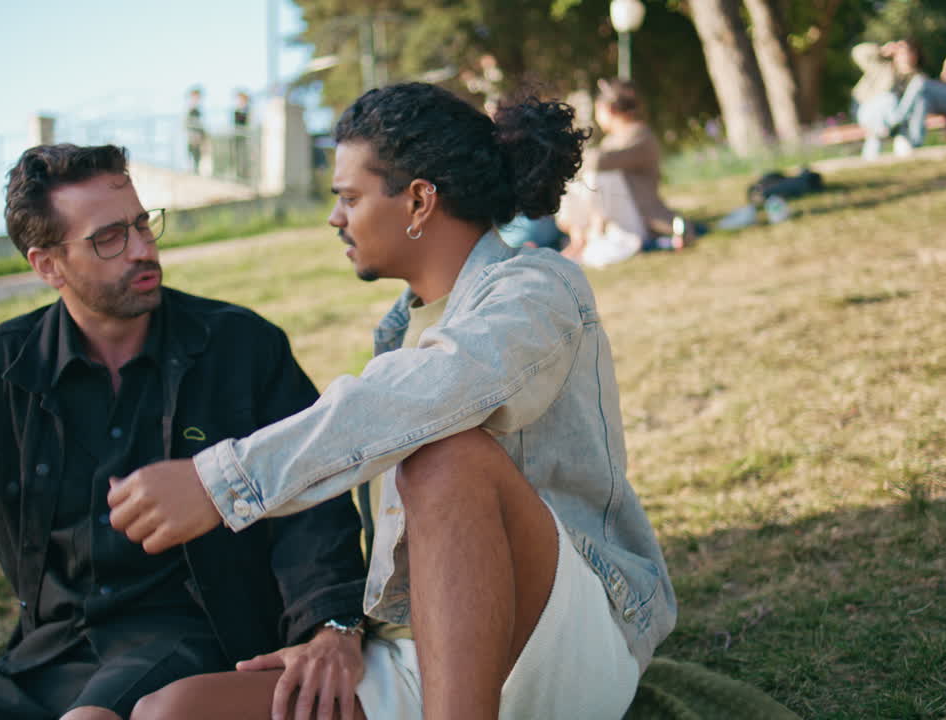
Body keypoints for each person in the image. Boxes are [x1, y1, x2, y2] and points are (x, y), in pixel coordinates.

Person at [114, 83, 677, 720]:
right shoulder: (395, 333)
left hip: (571, 638)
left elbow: (439, 389)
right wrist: (339, 632)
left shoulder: (536, 287)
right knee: (169, 711)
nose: (335, 218)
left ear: (418, 200)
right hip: (421, 652)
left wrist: (221, 482)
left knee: (443, 458)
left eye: (349, 198)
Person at [0, 144, 368, 720]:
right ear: (48, 265)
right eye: (109, 238)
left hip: (192, 641)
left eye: (142, 224)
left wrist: (329, 622)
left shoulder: (242, 347)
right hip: (49, 652)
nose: (142, 248)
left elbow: (312, 502)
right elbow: (15, 542)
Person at [558, 78, 689, 266]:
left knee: (598, 176)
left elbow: (597, 162)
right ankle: (578, 238)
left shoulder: (640, 136)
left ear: (608, 109)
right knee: (576, 179)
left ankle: (590, 238)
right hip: (620, 217)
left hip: (642, 219)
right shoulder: (613, 140)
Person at [852, 39, 946, 159]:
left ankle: (910, 145)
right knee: (888, 99)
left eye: (909, 52)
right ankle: (897, 124)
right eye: (901, 52)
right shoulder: (882, 67)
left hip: (887, 121)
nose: (905, 56)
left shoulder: (917, 78)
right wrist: (881, 50)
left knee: (918, 97)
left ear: (916, 56)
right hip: (869, 109)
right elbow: (857, 52)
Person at [184, 87, 206, 174]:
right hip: (192, 136)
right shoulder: (190, 108)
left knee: (197, 157)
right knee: (190, 156)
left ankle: (195, 172)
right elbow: (186, 123)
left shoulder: (198, 109)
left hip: (197, 137)